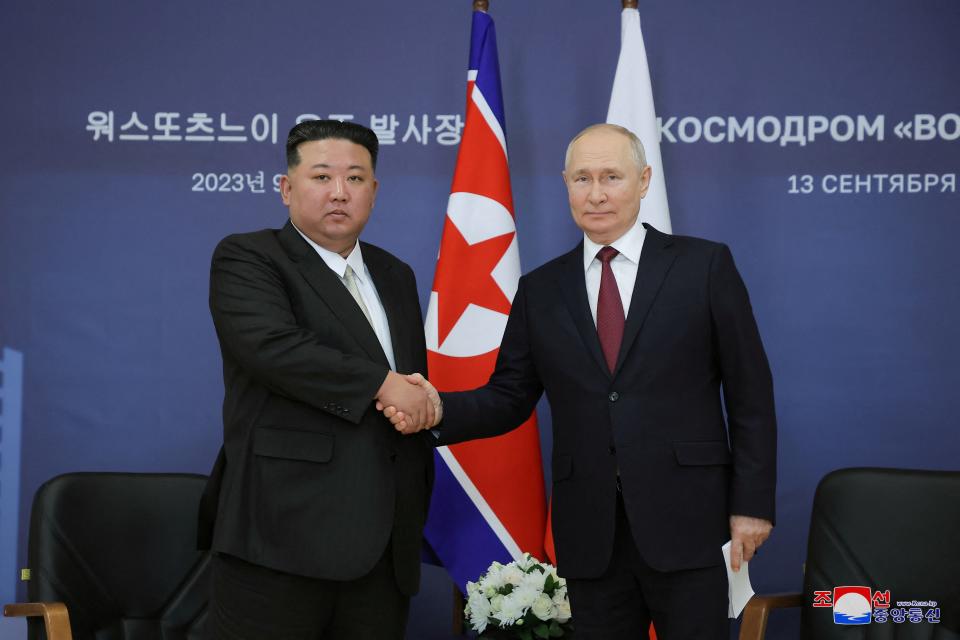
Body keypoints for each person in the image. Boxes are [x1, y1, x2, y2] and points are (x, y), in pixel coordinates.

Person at [384, 123, 777, 639]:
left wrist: (751, 505)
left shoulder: (703, 266)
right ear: (565, 185)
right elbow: (509, 397)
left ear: (643, 181)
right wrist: (436, 409)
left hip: (690, 524)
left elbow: (751, 394)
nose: (596, 193)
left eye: (611, 177)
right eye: (582, 178)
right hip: (591, 535)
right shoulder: (541, 289)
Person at [198, 119, 439, 639]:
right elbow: (275, 349)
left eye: (355, 179)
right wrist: (384, 386)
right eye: (321, 176)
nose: (339, 192)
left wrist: (415, 399)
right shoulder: (250, 256)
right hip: (282, 538)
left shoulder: (396, 274)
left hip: (383, 546)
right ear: (286, 188)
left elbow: (409, 381)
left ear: (374, 192)